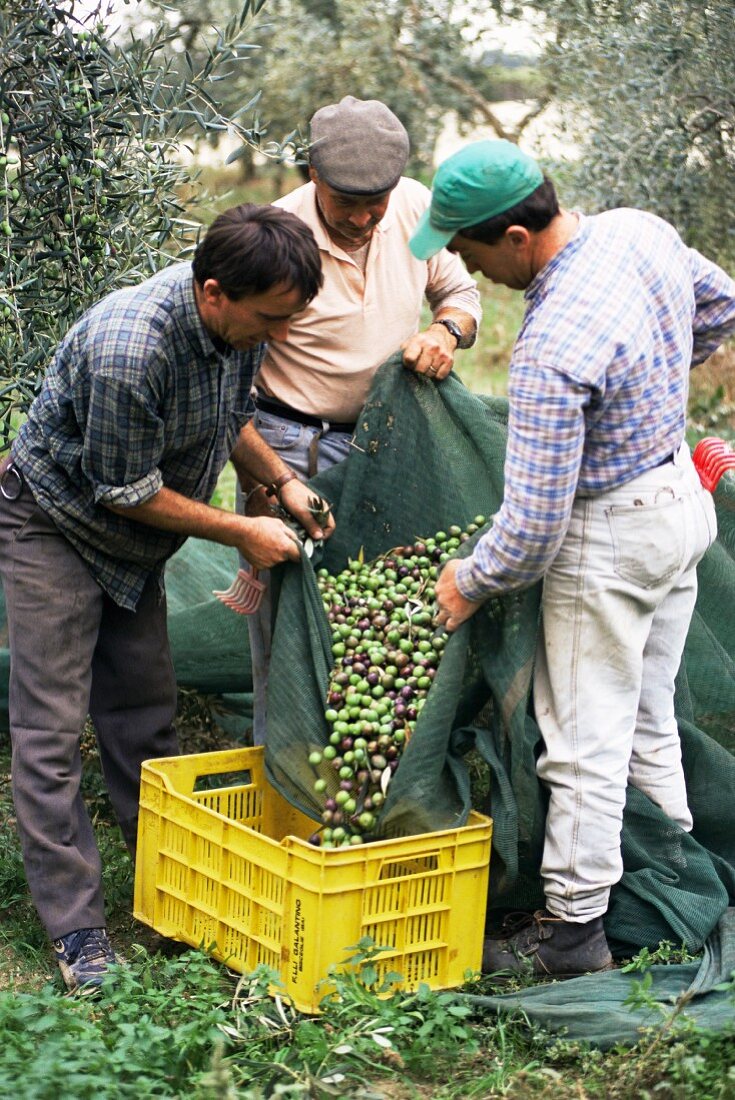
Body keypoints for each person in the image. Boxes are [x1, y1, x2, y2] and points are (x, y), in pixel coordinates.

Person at [410, 139, 735, 977]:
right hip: (679, 504)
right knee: (649, 714)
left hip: (612, 534)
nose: (468, 270)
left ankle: (574, 934)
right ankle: (673, 883)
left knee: (583, 742)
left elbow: (532, 529)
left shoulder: (551, 346)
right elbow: (722, 304)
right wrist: (661, 377)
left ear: (515, 238)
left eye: (469, 251)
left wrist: (466, 582)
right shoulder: (637, 230)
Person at [0, 202, 334, 994]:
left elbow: (233, 418)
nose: (278, 334)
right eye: (270, 318)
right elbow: (123, 490)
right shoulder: (132, 348)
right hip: (57, 527)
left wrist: (279, 480)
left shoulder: (232, 332)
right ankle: (77, 929)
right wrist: (241, 532)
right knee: (48, 733)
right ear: (214, 291)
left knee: (143, 715)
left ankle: (168, 891)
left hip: (132, 545)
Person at [239, 95, 483, 745]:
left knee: (378, 620)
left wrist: (444, 331)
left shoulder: (412, 208)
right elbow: (232, 364)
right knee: (287, 628)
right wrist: (261, 478)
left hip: (386, 449)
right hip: (289, 445)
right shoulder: (277, 233)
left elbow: (460, 295)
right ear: (312, 176)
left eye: (376, 199)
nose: (365, 216)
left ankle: (361, 771)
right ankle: (280, 771)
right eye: (348, 201)